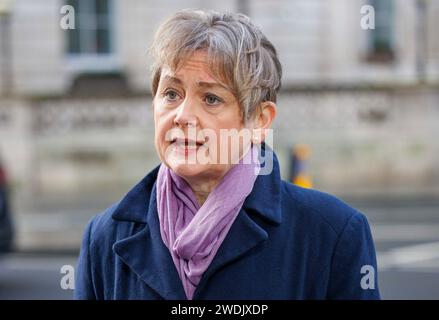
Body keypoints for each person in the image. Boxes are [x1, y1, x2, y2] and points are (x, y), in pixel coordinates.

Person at [74, 9, 380, 300]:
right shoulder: (104, 237)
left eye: (210, 98)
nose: (183, 115)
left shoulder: (333, 234)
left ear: (260, 120)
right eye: (171, 93)